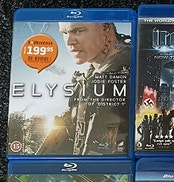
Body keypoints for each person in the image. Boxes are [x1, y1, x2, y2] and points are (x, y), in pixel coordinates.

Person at [39, 22, 131, 155]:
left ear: (106, 28)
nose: (69, 42)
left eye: (78, 31)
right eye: (64, 33)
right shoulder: (89, 77)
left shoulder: (133, 71)